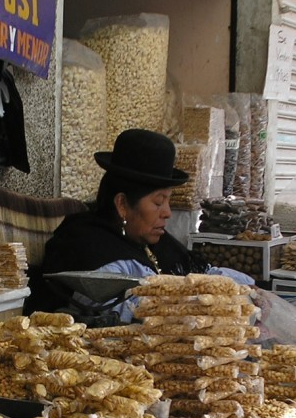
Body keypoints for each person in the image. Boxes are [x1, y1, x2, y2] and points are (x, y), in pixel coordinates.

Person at [28, 128, 252, 320]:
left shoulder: (152, 242)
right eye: (158, 202)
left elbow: (205, 274)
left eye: (168, 201)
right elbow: (128, 311)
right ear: (123, 204)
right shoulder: (85, 244)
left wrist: (246, 290)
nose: (167, 213)